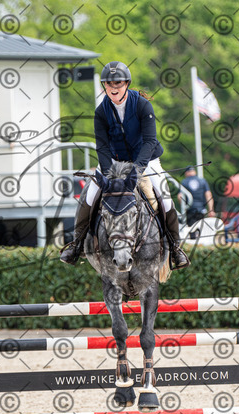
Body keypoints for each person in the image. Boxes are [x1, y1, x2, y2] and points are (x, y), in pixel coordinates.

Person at [60, 61, 190, 270]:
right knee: (90, 196)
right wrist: (108, 174)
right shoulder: (101, 112)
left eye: (118, 83)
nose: (114, 87)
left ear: (126, 84)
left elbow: (149, 141)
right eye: (109, 83)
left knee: (165, 200)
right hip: (114, 161)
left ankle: (175, 248)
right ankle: (76, 245)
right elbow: (102, 146)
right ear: (105, 86)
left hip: (146, 160)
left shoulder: (142, 105)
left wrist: (136, 171)